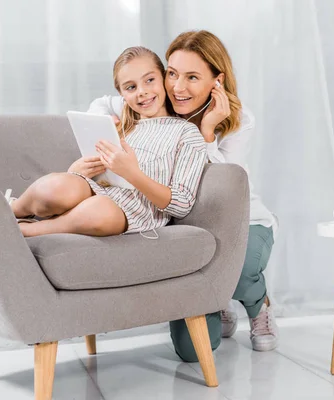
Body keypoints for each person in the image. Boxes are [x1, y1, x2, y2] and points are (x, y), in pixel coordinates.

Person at [88, 30, 279, 361]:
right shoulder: (155, 99)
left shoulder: (237, 119)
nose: (178, 87)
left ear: (216, 81)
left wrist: (206, 133)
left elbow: (226, 186)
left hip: (239, 222)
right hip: (186, 226)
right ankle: (218, 304)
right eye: (172, 74)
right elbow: (102, 104)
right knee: (192, 352)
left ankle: (256, 301)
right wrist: (104, 123)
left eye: (192, 77)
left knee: (237, 270)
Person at [8, 46, 207, 239]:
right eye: (131, 87)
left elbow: (182, 204)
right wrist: (77, 172)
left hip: (135, 210)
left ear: (163, 78)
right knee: (55, 187)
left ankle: (28, 230)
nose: (142, 92)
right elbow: (98, 177)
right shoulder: (120, 125)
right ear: (122, 94)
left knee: (98, 211)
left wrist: (132, 173)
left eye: (150, 80)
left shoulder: (186, 133)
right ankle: (10, 209)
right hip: (98, 191)